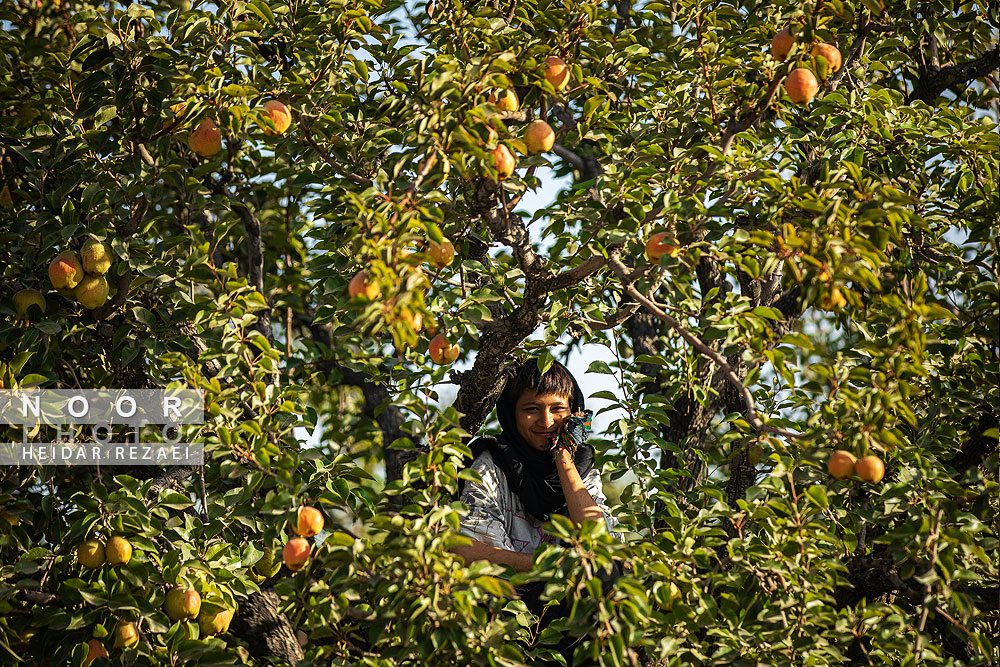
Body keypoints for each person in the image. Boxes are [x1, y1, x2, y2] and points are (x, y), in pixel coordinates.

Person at [451, 358, 623, 664]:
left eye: (557, 410)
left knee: (611, 575)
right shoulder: (492, 464)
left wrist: (563, 458)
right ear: (511, 416)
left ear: (574, 415)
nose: (545, 421)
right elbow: (464, 551)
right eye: (531, 409)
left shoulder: (581, 469)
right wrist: (550, 566)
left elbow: (599, 543)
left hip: (568, 614)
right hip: (510, 609)